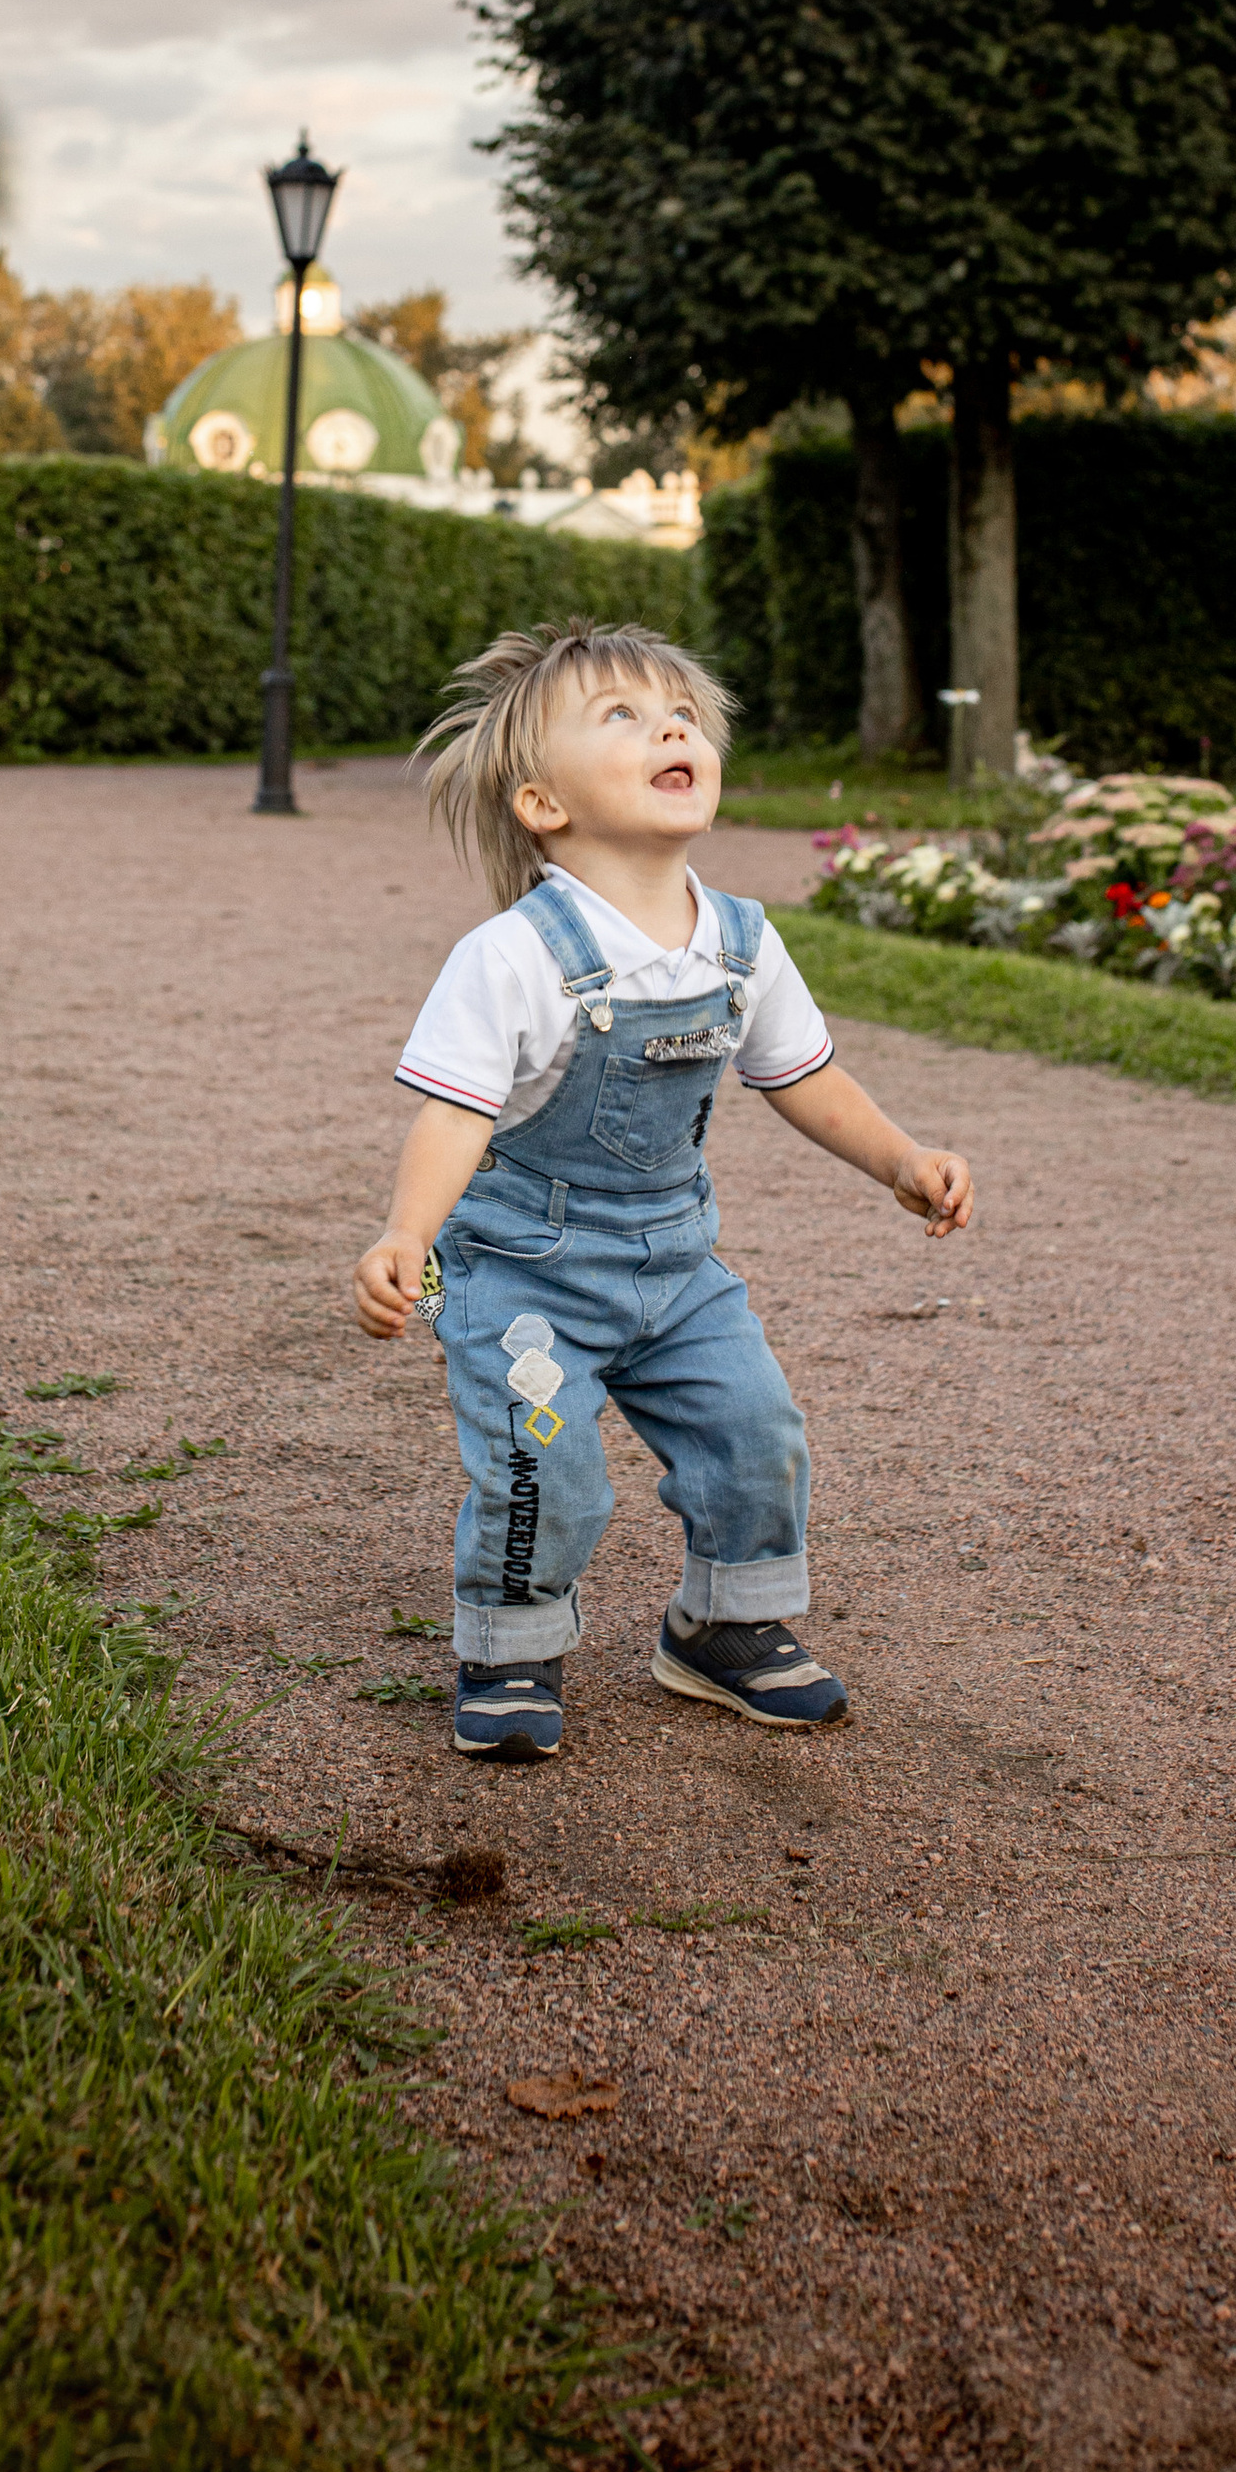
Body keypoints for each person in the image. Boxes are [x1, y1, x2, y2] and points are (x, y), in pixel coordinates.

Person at [352, 618, 974, 1763]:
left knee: (756, 1433)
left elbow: (807, 1075)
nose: (671, 726)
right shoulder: (513, 954)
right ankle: (508, 1644)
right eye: (623, 717)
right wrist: (406, 1232)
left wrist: (899, 1158)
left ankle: (723, 1629)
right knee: (550, 1466)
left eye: (682, 713)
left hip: (678, 1270)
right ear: (542, 802)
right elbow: (455, 1110)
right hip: (526, 1281)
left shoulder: (739, 940)